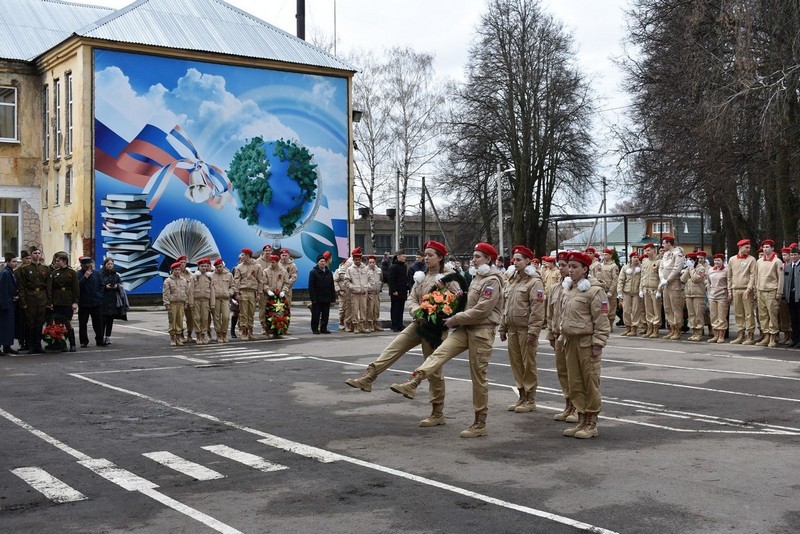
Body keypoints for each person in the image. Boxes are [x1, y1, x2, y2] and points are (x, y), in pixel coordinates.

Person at [389, 242, 504, 438]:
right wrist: (456, 297)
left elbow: (482, 310)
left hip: (482, 331)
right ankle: (414, 381)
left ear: (488, 259)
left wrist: (455, 319)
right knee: (438, 354)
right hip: (464, 327)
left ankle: (479, 422)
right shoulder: (476, 278)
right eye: (473, 256)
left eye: (477, 257)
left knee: (478, 378)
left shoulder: (492, 280)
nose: (473, 260)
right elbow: (467, 301)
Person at [347, 241, 461, 427]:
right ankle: (369, 377)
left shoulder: (449, 277)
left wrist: (441, 313)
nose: (426, 258)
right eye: (425, 254)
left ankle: (437, 412)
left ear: (440, 257)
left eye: (431, 255)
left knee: (434, 371)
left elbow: (457, 300)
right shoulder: (421, 276)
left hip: (434, 330)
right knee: (394, 346)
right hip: (418, 323)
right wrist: (416, 310)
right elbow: (412, 297)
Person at [559, 251, 611, 439]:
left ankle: (591, 422)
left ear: (585, 269)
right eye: (569, 266)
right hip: (570, 342)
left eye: (574, 267)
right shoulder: (569, 289)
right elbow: (564, 316)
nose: (570, 270)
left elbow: (602, 320)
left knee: (590, 382)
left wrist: (598, 343)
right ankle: (581, 418)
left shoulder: (595, 291)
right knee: (575, 383)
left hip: (587, 343)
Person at [498, 245, 544, 413]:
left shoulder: (535, 282)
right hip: (512, 329)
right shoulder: (512, 280)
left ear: (528, 261)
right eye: (514, 259)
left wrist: (533, 331)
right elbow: (506, 306)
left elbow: (537, 310)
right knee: (516, 364)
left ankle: (530, 398)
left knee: (528, 364)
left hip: (526, 330)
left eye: (519, 259)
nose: (515, 262)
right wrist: (503, 327)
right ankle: (522, 395)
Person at [547, 251, 578, 423]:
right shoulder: (556, 288)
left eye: (565, 266)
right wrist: (551, 334)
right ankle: (568, 403)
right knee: (562, 372)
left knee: (574, 373)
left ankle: (577, 406)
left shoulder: (578, 288)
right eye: (560, 266)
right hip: (558, 335)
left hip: (571, 336)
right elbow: (551, 313)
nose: (561, 269)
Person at [17, 247, 49, 353]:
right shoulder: (25, 269)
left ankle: (38, 345)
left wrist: (49, 301)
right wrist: (23, 302)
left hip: (42, 297)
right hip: (30, 297)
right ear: (31, 255)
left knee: (40, 322)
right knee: (30, 322)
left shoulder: (45, 268)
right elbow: (21, 287)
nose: (37, 255)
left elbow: (48, 286)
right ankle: (30, 345)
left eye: (39, 253)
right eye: (35, 253)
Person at [47, 252, 79, 352]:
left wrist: (75, 302)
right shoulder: (54, 273)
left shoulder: (72, 273)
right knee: (57, 324)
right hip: (57, 300)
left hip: (67, 300)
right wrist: (50, 302)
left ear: (64, 261)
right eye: (56, 261)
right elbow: (50, 288)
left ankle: (72, 343)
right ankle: (61, 344)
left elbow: (76, 288)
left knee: (67, 323)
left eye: (58, 261)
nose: (56, 263)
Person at [755, 240, 783, 348]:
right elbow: (757, 277)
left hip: (772, 291)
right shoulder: (759, 261)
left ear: (772, 248)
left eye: (767, 247)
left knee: (772, 315)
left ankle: (773, 336)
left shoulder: (777, 261)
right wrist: (756, 290)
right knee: (763, 315)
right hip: (761, 290)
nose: (765, 249)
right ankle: (765, 335)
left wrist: (779, 293)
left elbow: (780, 278)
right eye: (764, 247)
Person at [728, 239, 757, 345]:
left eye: (749, 247)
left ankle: (750, 335)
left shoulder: (752, 259)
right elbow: (729, 276)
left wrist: (749, 289)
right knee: (738, 313)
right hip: (736, 289)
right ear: (740, 247)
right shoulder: (732, 259)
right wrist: (729, 290)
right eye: (746, 247)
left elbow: (753, 275)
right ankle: (741, 334)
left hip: (746, 290)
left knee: (749, 313)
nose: (748, 250)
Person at [233, 248, 263, 341]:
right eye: (242, 255)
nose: (241, 257)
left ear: (248, 255)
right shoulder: (239, 267)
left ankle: (250, 331)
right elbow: (236, 281)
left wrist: (259, 293)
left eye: (243, 255)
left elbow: (260, 281)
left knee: (251, 312)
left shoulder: (257, 266)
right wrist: (237, 293)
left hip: (253, 292)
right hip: (243, 291)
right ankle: (243, 332)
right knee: (243, 313)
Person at [658, 235, 685, 340]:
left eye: (664, 243)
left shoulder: (677, 254)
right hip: (665, 284)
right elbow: (661, 267)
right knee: (667, 308)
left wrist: (668, 279)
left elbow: (677, 269)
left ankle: (677, 330)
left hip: (673, 284)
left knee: (675, 308)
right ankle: (671, 328)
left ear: (669, 243)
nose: (663, 245)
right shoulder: (665, 254)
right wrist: (662, 278)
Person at [77, 256, 106, 347]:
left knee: (98, 323)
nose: (88, 268)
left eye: (89, 266)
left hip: (96, 302)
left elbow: (102, 286)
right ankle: (83, 341)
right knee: (83, 323)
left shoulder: (97, 274)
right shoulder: (78, 274)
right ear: (82, 266)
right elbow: (77, 287)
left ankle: (100, 340)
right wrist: (85, 277)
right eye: (86, 266)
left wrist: (99, 296)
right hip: (84, 303)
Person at [163, 261, 190, 346]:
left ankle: (178, 338)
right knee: (172, 321)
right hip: (172, 303)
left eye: (178, 269)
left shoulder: (183, 280)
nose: (177, 271)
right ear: (172, 270)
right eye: (175, 270)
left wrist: (186, 302)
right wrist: (167, 304)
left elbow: (186, 292)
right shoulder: (168, 281)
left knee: (180, 321)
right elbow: (166, 293)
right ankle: (173, 339)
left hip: (181, 303)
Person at [681, 252, 707, 341]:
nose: (689, 261)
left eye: (691, 260)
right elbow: (683, 279)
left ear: (695, 260)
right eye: (688, 260)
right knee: (691, 314)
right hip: (689, 294)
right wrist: (688, 269)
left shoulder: (701, 268)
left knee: (698, 314)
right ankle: (694, 332)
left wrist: (691, 268)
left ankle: (699, 332)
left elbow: (696, 279)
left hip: (698, 294)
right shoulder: (689, 268)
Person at [616, 251, 643, 336]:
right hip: (627, 292)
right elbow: (620, 280)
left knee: (636, 311)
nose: (636, 259)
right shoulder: (625, 268)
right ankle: (627, 327)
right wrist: (619, 292)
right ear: (630, 258)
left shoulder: (641, 268)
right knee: (626, 311)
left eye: (637, 257)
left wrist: (641, 290)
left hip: (636, 293)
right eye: (634, 257)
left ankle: (634, 328)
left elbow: (643, 280)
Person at [345, 248, 371, 333]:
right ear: (353, 260)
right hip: (354, 293)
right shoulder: (350, 269)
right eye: (356, 260)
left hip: (363, 293)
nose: (357, 261)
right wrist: (352, 287)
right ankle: (355, 326)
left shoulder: (365, 268)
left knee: (363, 310)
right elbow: (346, 281)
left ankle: (362, 326)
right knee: (354, 310)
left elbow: (370, 279)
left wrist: (367, 287)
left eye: (359, 259)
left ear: (361, 259)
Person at [261, 254, 288, 336]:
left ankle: (278, 329)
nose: (271, 264)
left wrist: (283, 291)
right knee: (265, 312)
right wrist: (268, 290)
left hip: (279, 296)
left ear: (277, 262)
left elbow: (286, 283)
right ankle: (266, 329)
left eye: (273, 262)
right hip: (268, 296)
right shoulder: (266, 271)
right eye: (270, 262)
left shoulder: (283, 272)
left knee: (279, 313)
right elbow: (263, 283)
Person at [190, 258, 215, 344]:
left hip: (205, 301)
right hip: (196, 300)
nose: (204, 268)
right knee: (197, 318)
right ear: (198, 267)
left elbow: (212, 291)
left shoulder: (209, 277)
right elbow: (191, 291)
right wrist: (191, 303)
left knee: (205, 318)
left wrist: (212, 303)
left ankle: (203, 335)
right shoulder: (194, 277)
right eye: (202, 266)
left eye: (205, 266)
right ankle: (198, 336)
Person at [100, 257, 125, 345]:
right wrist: (105, 287)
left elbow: (120, 285)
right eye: (108, 264)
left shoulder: (116, 275)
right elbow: (98, 286)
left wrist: (116, 286)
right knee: (103, 320)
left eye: (111, 264)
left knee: (110, 319)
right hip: (104, 300)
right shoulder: (101, 274)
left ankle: (108, 337)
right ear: (105, 265)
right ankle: (101, 337)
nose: (110, 266)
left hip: (113, 299)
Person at [308, 253, 335, 334]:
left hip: (327, 297)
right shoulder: (313, 272)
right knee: (316, 315)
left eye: (324, 261)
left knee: (325, 314)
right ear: (317, 262)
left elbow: (331, 285)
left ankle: (324, 328)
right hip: (317, 298)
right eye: (321, 261)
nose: (323, 263)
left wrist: (332, 297)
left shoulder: (329, 272)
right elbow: (311, 287)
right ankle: (315, 329)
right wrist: (313, 298)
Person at [706, 253, 729, 343]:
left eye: (718, 260)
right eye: (715, 260)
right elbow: (708, 282)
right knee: (713, 316)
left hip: (722, 295)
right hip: (712, 295)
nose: (716, 262)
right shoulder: (710, 270)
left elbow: (729, 282)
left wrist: (729, 293)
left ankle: (721, 336)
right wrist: (709, 293)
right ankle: (715, 335)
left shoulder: (726, 270)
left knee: (722, 316)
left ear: (722, 261)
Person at [211, 258, 234, 343]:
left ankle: (224, 333)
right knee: (216, 318)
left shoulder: (229, 275)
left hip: (225, 298)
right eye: (217, 267)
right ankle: (219, 334)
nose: (219, 268)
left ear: (223, 266)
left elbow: (233, 286)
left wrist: (230, 293)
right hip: (215, 299)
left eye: (220, 266)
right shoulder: (212, 275)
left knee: (226, 317)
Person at [1, 253, 19, 355]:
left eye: (16, 261)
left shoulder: (10, 272)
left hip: (11, 302)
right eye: (13, 261)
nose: (15, 263)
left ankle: (7, 346)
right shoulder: (5, 273)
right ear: (7, 262)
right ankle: (3, 346)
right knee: (4, 327)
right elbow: (3, 290)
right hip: (6, 303)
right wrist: (4, 305)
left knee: (9, 327)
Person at [783, 246, 800, 348]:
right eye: (792, 255)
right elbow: (786, 282)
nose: (793, 257)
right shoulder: (788, 267)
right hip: (791, 297)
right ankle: (795, 339)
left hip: (799, 296)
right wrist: (785, 296)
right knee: (793, 319)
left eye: (795, 255)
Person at [387, 251, 408, 332]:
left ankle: (400, 324)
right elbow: (391, 280)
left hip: (402, 291)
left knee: (401, 308)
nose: (405, 258)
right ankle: (394, 325)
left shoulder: (404, 266)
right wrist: (394, 290)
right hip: (395, 292)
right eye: (403, 256)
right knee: (395, 308)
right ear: (398, 257)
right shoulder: (393, 267)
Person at [366, 255, 383, 331]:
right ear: (368, 263)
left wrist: (380, 288)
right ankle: (370, 325)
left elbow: (381, 280)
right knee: (370, 310)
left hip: (377, 293)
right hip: (370, 293)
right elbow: (365, 282)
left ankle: (376, 324)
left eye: (373, 262)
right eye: (370, 262)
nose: (372, 264)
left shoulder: (379, 270)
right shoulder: (365, 270)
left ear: (375, 262)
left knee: (376, 310)